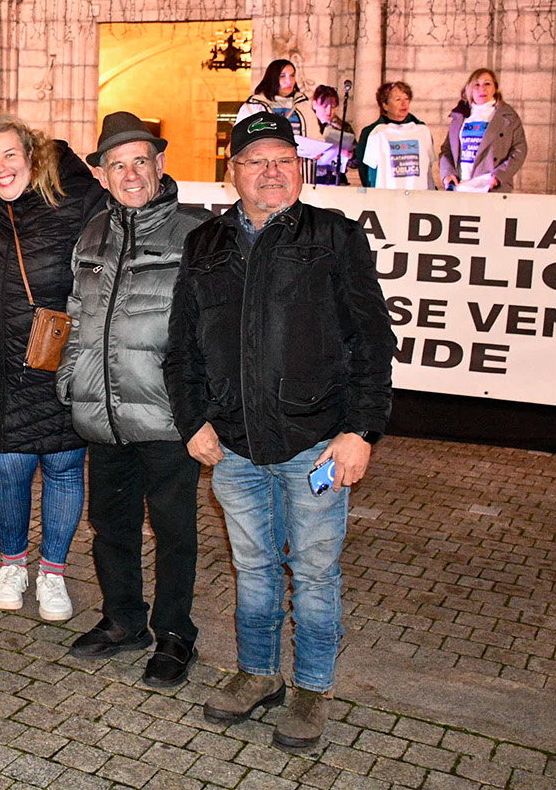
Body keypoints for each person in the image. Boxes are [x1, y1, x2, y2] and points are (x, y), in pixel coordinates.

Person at [166, 111, 394, 753]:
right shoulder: (205, 244)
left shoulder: (334, 236)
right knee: (254, 567)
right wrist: (193, 423)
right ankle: (258, 675)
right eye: (256, 160)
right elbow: (181, 345)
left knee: (315, 572)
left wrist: (361, 432)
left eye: (283, 159)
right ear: (232, 171)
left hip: (316, 444)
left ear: (300, 167)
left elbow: (373, 340)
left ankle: (312, 689)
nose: (272, 171)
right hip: (234, 446)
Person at [57, 112, 212, 688]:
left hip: (169, 418)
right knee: (111, 525)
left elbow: (209, 330)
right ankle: (124, 620)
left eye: (140, 161)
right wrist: (70, 379)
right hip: (103, 415)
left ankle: (175, 634)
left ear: (160, 165)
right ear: (101, 174)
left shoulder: (195, 233)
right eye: (117, 164)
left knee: (174, 532)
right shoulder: (92, 233)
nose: (130, 173)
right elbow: (77, 314)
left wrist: (201, 409)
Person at [0, 114, 105, 621]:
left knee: (65, 469)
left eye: (10, 155)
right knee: (10, 467)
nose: (1, 168)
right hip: (4, 368)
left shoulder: (75, 199)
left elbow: (129, 218)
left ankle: (53, 573)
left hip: (59, 363)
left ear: (31, 154)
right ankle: (12, 564)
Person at [439, 68, 528, 192]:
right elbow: (446, 151)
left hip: (491, 186)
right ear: (469, 89)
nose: (482, 89)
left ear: (495, 88)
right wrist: (447, 174)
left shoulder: (508, 116)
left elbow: (519, 150)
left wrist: (500, 176)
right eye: (477, 85)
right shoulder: (460, 116)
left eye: (487, 84)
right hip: (461, 186)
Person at [355, 81, 433, 189]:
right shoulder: (372, 133)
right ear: (385, 105)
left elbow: (427, 167)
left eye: (406, 99)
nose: (404, 104)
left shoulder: (421, 130)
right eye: (398, 100)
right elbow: (366, 173)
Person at [237, 59, 320, 140]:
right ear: (272, 78)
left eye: (292, 75)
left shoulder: (303, 105)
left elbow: (315, 137)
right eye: (282, 76)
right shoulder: (254, 106)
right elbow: (240, 137)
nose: (289, 81)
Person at [310, 85, 352, 185]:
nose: (329, 111)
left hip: (336, 180)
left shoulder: (343, 127)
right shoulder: (307, 125)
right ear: (314, 104)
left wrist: (349, 155)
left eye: (333, 107)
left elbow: (356, 160)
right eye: (324, 106)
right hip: (312, 179)